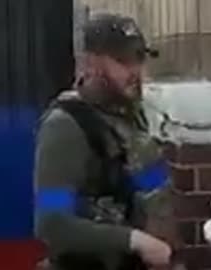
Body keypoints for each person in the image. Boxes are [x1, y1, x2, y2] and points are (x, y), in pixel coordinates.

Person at [33, 13, 174, 270]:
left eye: (139, 60)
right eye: (123, 61)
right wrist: (134, 240)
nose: (135, 72)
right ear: (91, 64)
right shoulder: (65, 126)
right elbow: (52, 223)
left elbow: (154, 192)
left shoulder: (133, 120)